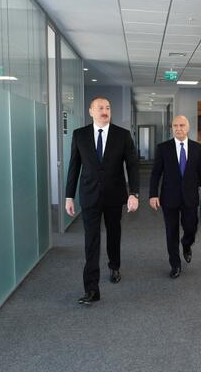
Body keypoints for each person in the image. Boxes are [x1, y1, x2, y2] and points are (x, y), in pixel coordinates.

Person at [65, 96, 139, 305]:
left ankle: (114, 265)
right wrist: (69, 196)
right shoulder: (79, 135)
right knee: (91, 240)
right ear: (91, 111)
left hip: (114, 195)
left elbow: (132, 165)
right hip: (89, 195)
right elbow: (74, 167)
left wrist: (134, 193)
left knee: (114, 233)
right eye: (100, 108)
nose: (104, 111)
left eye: (107, 107)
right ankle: (91, 289)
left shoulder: (122, 135)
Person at [149, 115, 201, 278]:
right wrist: (153, 194)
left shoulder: (198, 148)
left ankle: (186, 243)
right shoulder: (163, 148)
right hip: (169, 197)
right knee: (171, 231)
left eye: (182, 125)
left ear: (188, 127)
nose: (178, 128)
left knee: (191, 227)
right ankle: (175, 264)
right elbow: (156, 173)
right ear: (172, 128)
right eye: (175, 126)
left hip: (190, 196)